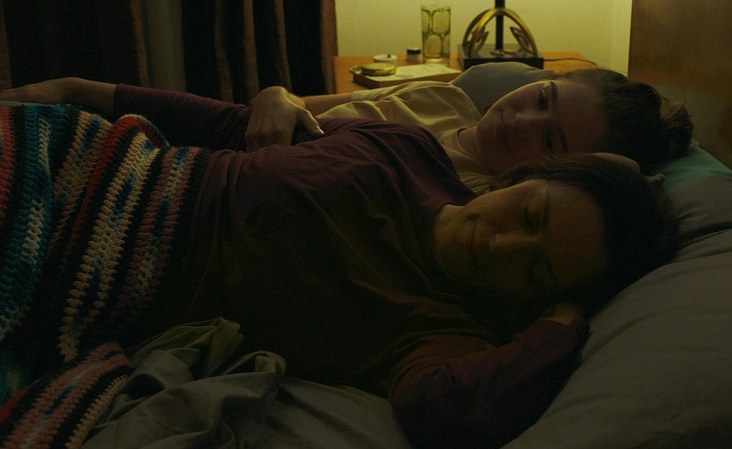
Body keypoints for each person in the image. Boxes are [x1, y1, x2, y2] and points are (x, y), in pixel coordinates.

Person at [0, 83, 678, 449]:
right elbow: (236, 129)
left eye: (534, 272)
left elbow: (443, 412)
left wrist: (560, 325)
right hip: (82, 157)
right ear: (521, 180)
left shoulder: (443, 327)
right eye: (528, 216)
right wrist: (78, 89)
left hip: (85, 272)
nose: (502, 248)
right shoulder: (409, 146)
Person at [244, 62, 695, 192]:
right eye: (542, 98)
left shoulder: (475, 195)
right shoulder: (444, 96)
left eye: (550, 140)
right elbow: (298, 102)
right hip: (240, 138)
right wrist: (275, 96)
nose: (521, 122)